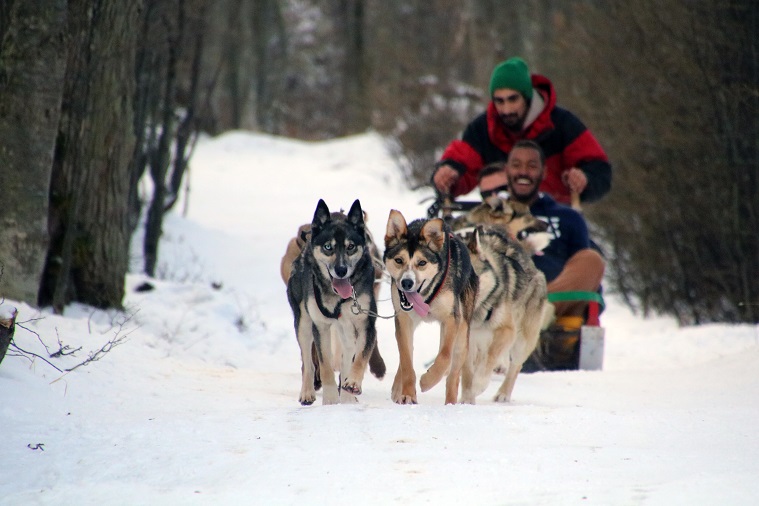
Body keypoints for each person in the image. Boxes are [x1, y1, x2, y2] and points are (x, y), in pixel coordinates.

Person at [482, 140, 605, 370]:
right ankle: (525, 317)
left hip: (557, 304)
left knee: (592, 259)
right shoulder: (491, 214)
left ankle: (538, 311)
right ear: (506, 171)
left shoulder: (568, 217)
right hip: (507, 298)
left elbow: (587, 276)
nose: (523, 172)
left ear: (544, 172)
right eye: (516, 165)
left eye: (531, 166)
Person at [432, 56, 611, 207]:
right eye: (499, 101)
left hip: (553, 220)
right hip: (498, 223)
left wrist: (584, 180)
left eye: (512, 100)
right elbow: (461, 161)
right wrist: (448, 175)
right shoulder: (483, 129)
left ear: (527, 96)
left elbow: (599, 170)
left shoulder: (562, 124)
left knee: (588, 250)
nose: (506, 109)